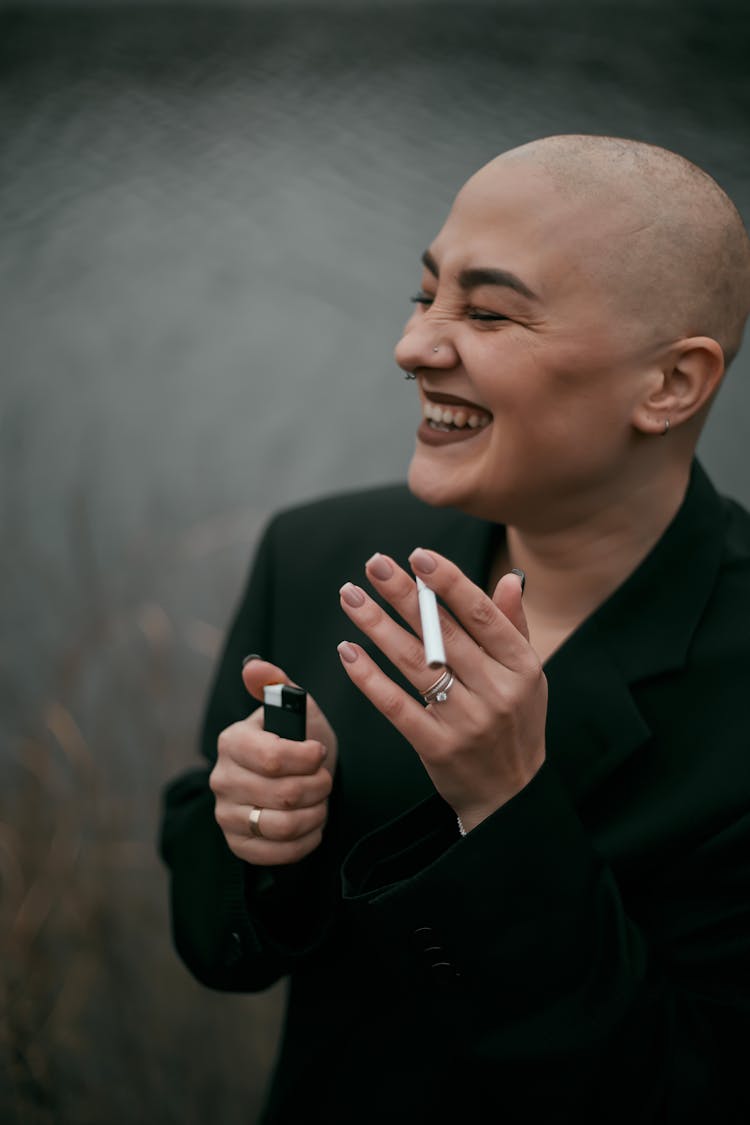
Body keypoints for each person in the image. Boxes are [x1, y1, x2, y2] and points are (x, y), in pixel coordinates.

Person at [160, 134, 750, 1123]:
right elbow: (218, 946)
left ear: (670, 386)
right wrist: (259, 837)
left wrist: (507, 807)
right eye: (424, 295)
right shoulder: (321, 556)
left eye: (486, 311)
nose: (415, 346)